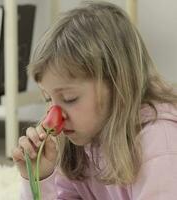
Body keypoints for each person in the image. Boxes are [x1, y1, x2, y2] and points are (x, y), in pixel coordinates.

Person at [11, 1, 177, 199]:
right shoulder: (79, 137)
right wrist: (38, 177)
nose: (53, 118)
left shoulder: (159, 144)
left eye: (69, 98)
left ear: (117, 86)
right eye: (48, 98)